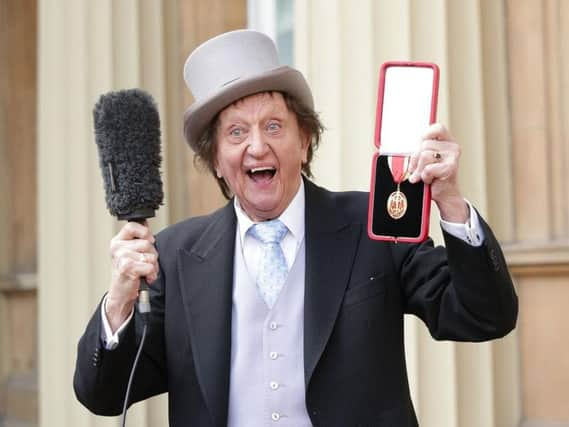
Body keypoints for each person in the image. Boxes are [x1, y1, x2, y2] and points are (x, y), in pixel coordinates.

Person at [74, 29, 518, 427]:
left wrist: (452, 205)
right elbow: (105, 395)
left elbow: (483, 316)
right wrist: (118, 302)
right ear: (215, 161)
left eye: (273, 126)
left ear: (304, 141)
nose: (256, 146)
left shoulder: (373, 226)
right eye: (236, 133)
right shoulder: (172, 255)